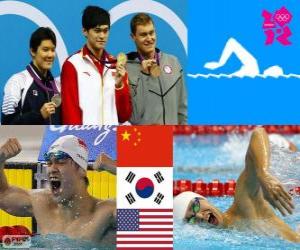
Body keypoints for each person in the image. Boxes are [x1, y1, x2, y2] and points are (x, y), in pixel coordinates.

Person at [174, 127, 300, 242]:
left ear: (203, 199)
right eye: (191, 219)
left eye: (195, 207)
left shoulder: (244, 206)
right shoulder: (224, 240)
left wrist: (263, 173)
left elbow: (258, 133)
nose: (200, 216)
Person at [0, 136, 116, 245]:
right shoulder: (42, 204)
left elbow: (134, 219)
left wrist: (120, 168)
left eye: (60, 161)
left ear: (81, 169)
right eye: (49, 163)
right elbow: (2, 195)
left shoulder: (107, 213)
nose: (52, 169)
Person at [61, 6, 131, 125]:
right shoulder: (72, 64)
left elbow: (124, 116)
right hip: (86, 139)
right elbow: (70, 113)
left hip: (111, 139)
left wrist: (120, 85)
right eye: (97, 30)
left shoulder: (116, 65)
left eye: (105, 30)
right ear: (85, 31)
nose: (102, 36)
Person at [126, 13, 187, 125]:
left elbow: (182, 110)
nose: (149, 38)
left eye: (151, 33)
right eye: (143, 34)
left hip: (172, 137)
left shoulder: (173, 62)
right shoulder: (127, 69)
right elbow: (134, 117)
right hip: (146, 139)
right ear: (133, 37)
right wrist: (143, 75)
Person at [1, 27, 61, 125]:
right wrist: (39, 115)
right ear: (33, 51)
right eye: (45, 50)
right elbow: (7, 126)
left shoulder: (57, 86)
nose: (50, 55)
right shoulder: (18, 81)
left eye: (53, 50)